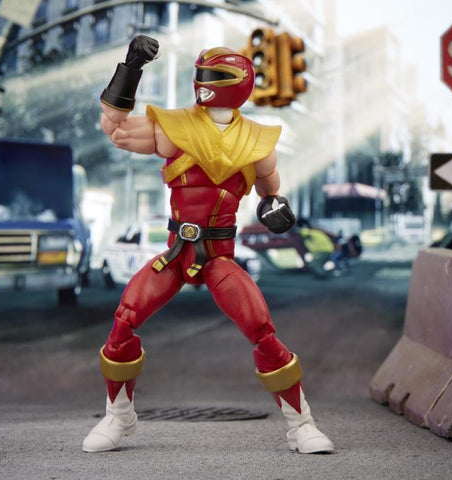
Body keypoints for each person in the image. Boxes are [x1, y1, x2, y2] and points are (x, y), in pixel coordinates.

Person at [82, 35, 334, 454]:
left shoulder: (257, 143)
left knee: (261, 330)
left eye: (213, 77)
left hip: (219, 257)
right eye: (203, 75)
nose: (203, 84)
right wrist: (131, 69)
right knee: (124, 320)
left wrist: (276, 208)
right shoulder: (175, 127)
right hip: (176, 253)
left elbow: (271, 190)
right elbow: (116, 128)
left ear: (235, 83)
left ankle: (301, 424)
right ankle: (118, 415)